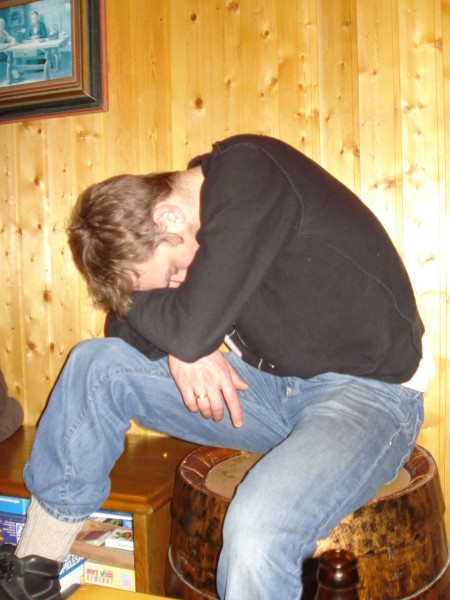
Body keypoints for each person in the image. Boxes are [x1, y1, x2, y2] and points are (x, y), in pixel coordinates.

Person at [0, 134, 434, 600]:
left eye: (173, 272)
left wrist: (184, 340)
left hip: (370, 394)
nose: (178, 285)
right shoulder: (193, 231)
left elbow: (188, 329)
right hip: (271, 390)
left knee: (257, 527)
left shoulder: (251, 173)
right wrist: (181, 346)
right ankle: (34, 571)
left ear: (168, 217)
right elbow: (127, 327)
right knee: (96, 365)